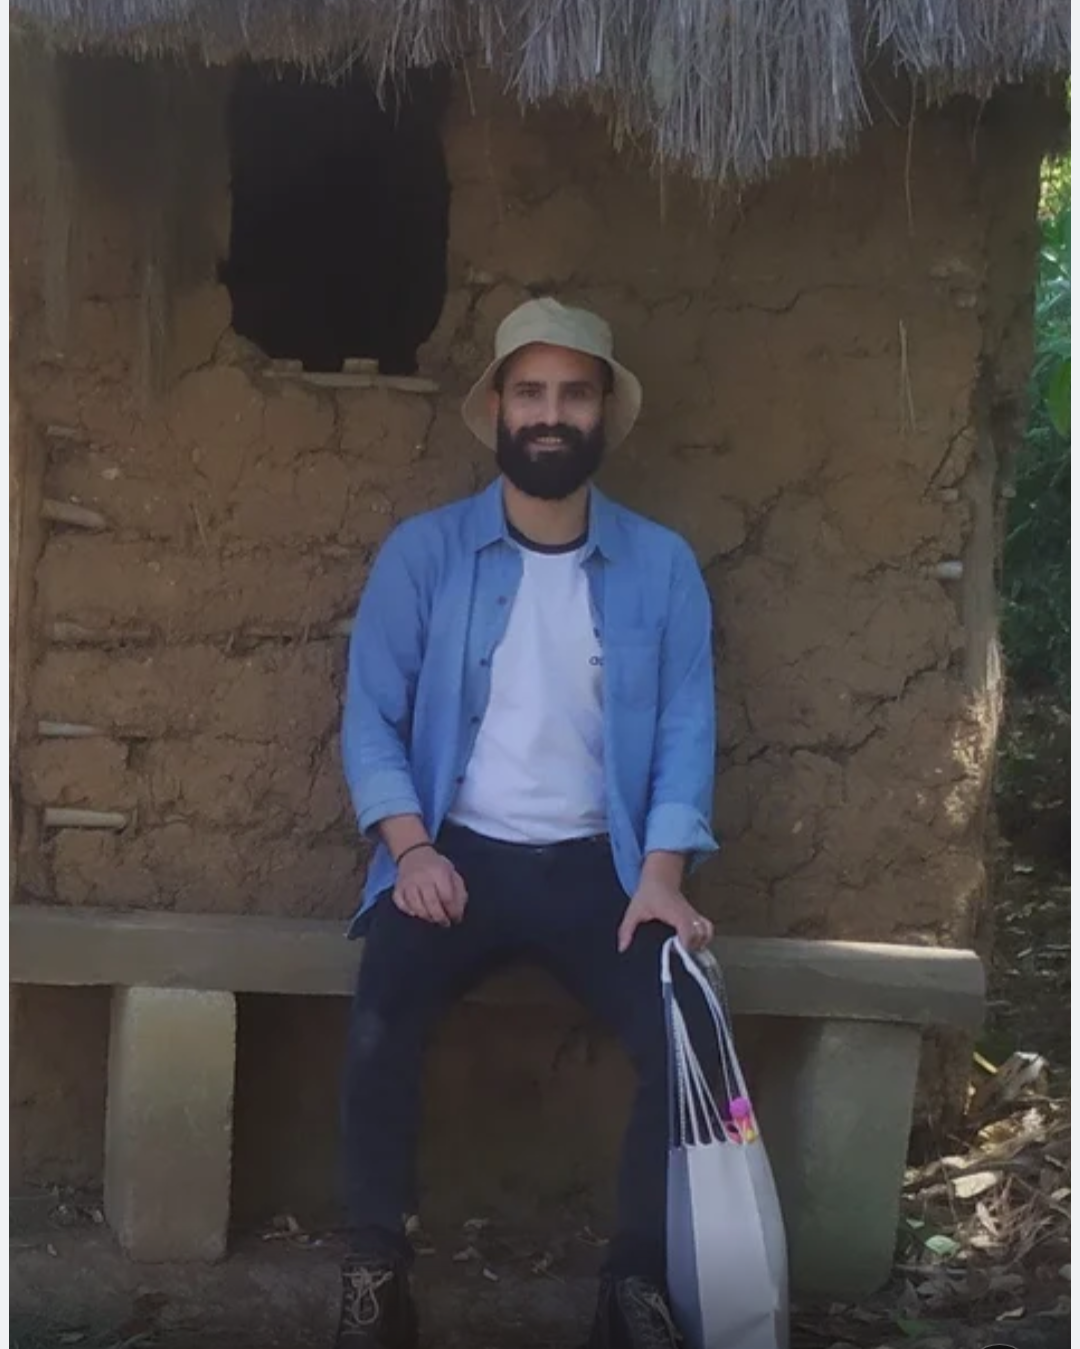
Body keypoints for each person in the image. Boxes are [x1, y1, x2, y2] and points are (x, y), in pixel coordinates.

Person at [336, 297, 720, 1348]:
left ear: (603, 413)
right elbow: (370, 713)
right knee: (381, 1012)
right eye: (531, 391)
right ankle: (376, 1276)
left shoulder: (662, 566)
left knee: (684, 1028)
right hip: (452, 855)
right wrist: (408, 848)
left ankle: (632, 1287)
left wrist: (665, 872)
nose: (551, 413)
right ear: (499, 408)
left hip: (607, 867)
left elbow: (689, 724)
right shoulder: (425, 555)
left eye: (575, 392)